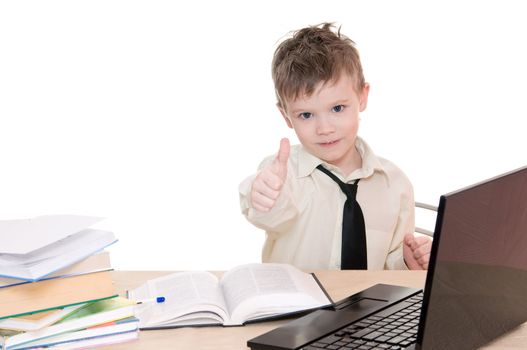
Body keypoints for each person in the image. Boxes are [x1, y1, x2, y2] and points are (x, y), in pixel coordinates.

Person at [239, 23, 431, 270]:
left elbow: (390, 265)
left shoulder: (395, 184)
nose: (324, 128)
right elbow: (269, 213)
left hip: (369, 308)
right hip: (300, 307)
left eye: (337, 108)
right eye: (306, 115)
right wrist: (261, 196)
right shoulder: (283, 176)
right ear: (286, 115)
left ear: (362, 97)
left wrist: (407, 262)